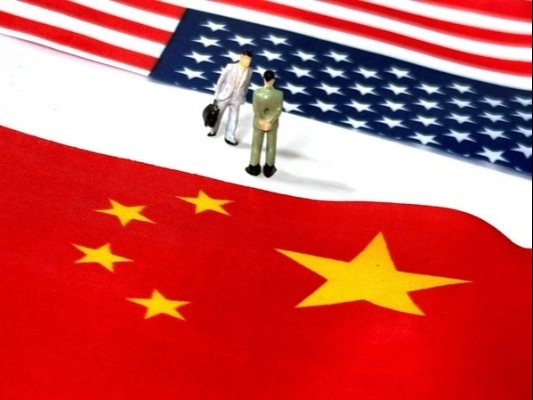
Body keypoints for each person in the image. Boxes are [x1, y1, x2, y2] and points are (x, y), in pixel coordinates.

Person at [208, 50, 253, 146]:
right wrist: (216, 94)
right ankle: (213, 130)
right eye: (246, 58)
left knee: (234, 118)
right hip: (225, 95)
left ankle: (230, 136)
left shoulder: (250, 71)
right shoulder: (231, 67)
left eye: (250, 59)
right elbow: (221, 80)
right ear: (241, 57)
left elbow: (246, 85)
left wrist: (243, 96)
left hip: (237, 97)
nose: (248, 61)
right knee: (217, 113)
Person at [245, 70, 284, 178]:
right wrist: (269, 121)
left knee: (256, 145)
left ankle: (254, 166)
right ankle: (269, 167)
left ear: (264, 79)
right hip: (272, 125)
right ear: (273, 80)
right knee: (271, 146)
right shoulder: (279, 94)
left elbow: (256, 109)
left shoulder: (257, 92)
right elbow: (278, 110)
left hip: (258, 123)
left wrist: (262, 120)